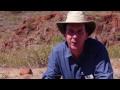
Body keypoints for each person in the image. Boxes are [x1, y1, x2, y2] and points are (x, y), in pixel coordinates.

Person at [42, 11, 113, 79]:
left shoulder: (98, 50)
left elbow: (105, 76)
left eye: (80, 31)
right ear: (65, 35)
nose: (75, 36)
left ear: (86, 35)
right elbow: (49, 76)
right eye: (71, 31)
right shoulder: (57, 53)